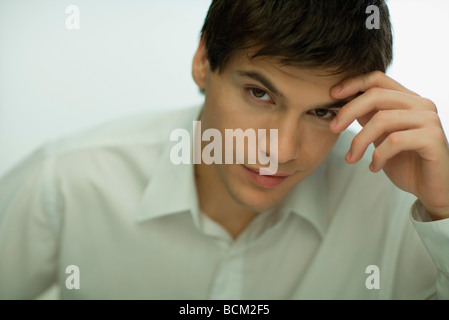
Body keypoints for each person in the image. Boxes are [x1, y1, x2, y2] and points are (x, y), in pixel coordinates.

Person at [1, 0, 448, 300]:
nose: (280, 149)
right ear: (202, 62)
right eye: (259, 94)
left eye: (321, 114)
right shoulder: (67, 182)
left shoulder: (410, 213)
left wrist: (445, 208)